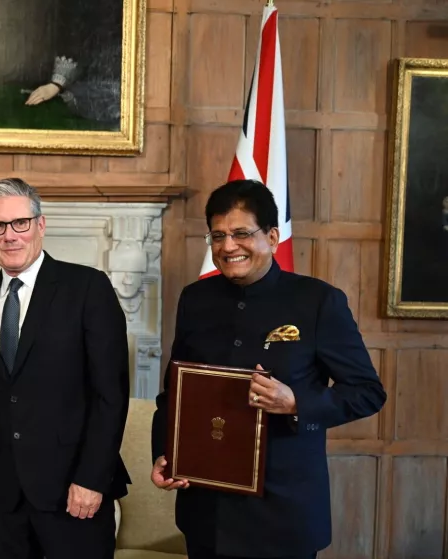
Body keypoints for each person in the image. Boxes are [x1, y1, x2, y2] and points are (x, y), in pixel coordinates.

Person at [150, 179, 387, 559]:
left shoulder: (318, 302)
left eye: (241, 233)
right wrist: (164, 453)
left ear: (273, 237)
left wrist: (296, 402)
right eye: (218, 236)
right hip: (207, 512)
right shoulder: (195, 299)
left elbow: (367, 392)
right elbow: (173, 393)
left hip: (283, 513)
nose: (228, 247)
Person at [0, 178, 131, 558]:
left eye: (20, 223)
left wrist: (91, 479)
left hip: (73, 490)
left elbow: (110, 396)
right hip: (4, 496)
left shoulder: (87, 288)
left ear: (41, 225)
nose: (9, 236)